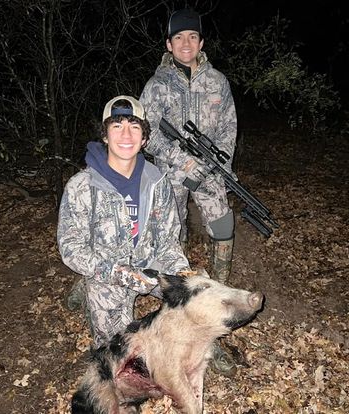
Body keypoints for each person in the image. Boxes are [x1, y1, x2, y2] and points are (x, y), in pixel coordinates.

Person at [57, 96, 190, 348]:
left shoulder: (158, 181)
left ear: (144, 139)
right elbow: (71, 247)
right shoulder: (81, 186)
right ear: (105, 136)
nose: (126, 134)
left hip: (151, 264)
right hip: (109, 273)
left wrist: (180, 274)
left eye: (135, 127)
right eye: (117, 126)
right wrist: (120, 274)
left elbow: (168, 239)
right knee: (119, 350)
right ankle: (89, 297)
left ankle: (209, 346)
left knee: (193, 297)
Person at [140, 8, 237, 285]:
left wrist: (219, 164)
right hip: (171, 170)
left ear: (201, 43)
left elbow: (229, 128)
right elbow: (146, 133)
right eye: (179, 38)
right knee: (173, 228)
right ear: (169, 45)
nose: (186, 44)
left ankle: (220, 286)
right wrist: (182, 160)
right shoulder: (156, 85)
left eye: (193, 36)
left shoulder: (218, 82)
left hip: (210, 167)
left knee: (223, 222)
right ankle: (180, 288)